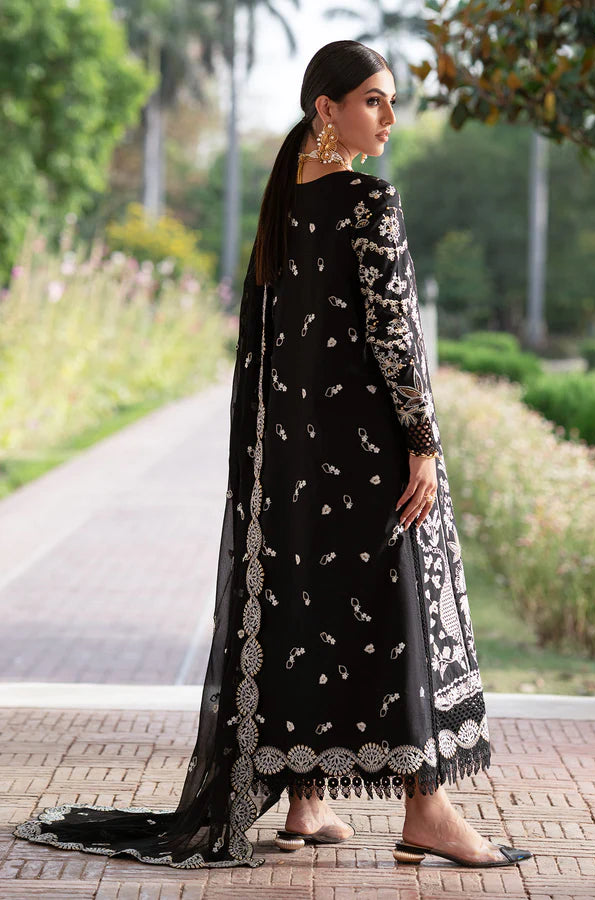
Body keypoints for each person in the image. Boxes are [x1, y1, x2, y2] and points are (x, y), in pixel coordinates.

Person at [14, 39, 531, 871]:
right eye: (373, 101)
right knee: (395, 611)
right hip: (365, 452)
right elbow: (397, 338)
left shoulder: (282, 202)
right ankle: (427, 812)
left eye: (391, 101)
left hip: (292, 456)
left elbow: (267, 345)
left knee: (304, 608)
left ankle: (305, 805)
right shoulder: (369, 201)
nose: (390, 118)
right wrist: (424, 444)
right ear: (325, 108)